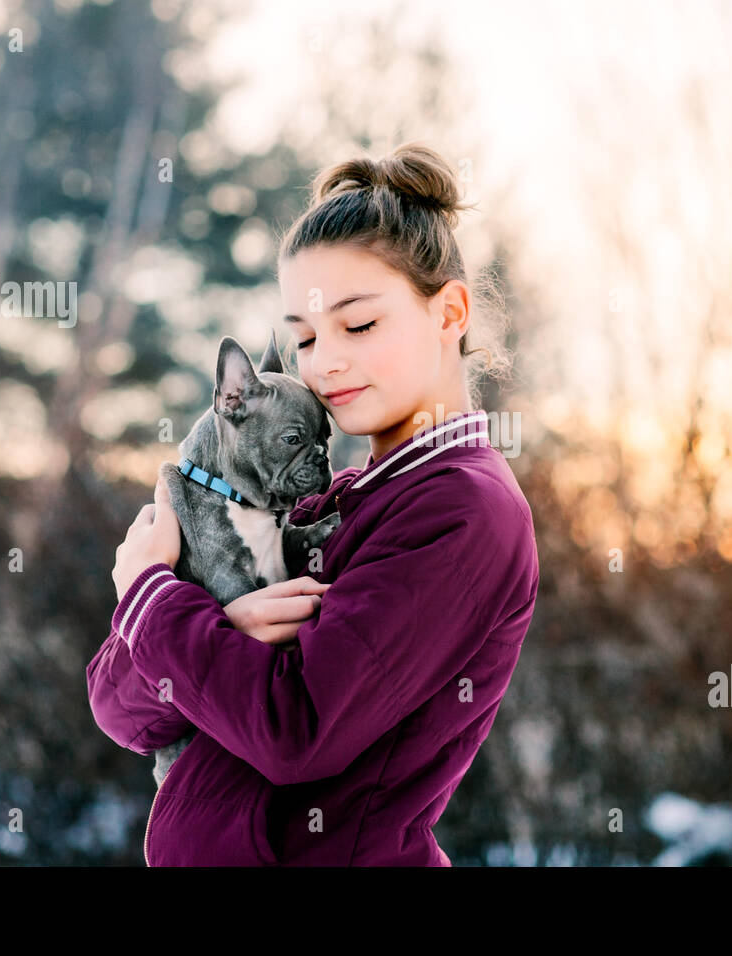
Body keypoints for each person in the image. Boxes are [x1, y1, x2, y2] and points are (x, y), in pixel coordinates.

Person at [85, 142, 539, 865]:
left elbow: (299, 735)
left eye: (358, 325)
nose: (324, 361)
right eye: (303, 336)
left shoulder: (462, 511)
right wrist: (217, 624)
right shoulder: (325, 503)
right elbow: (121, 713)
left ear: (449, 311)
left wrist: (149, 597)